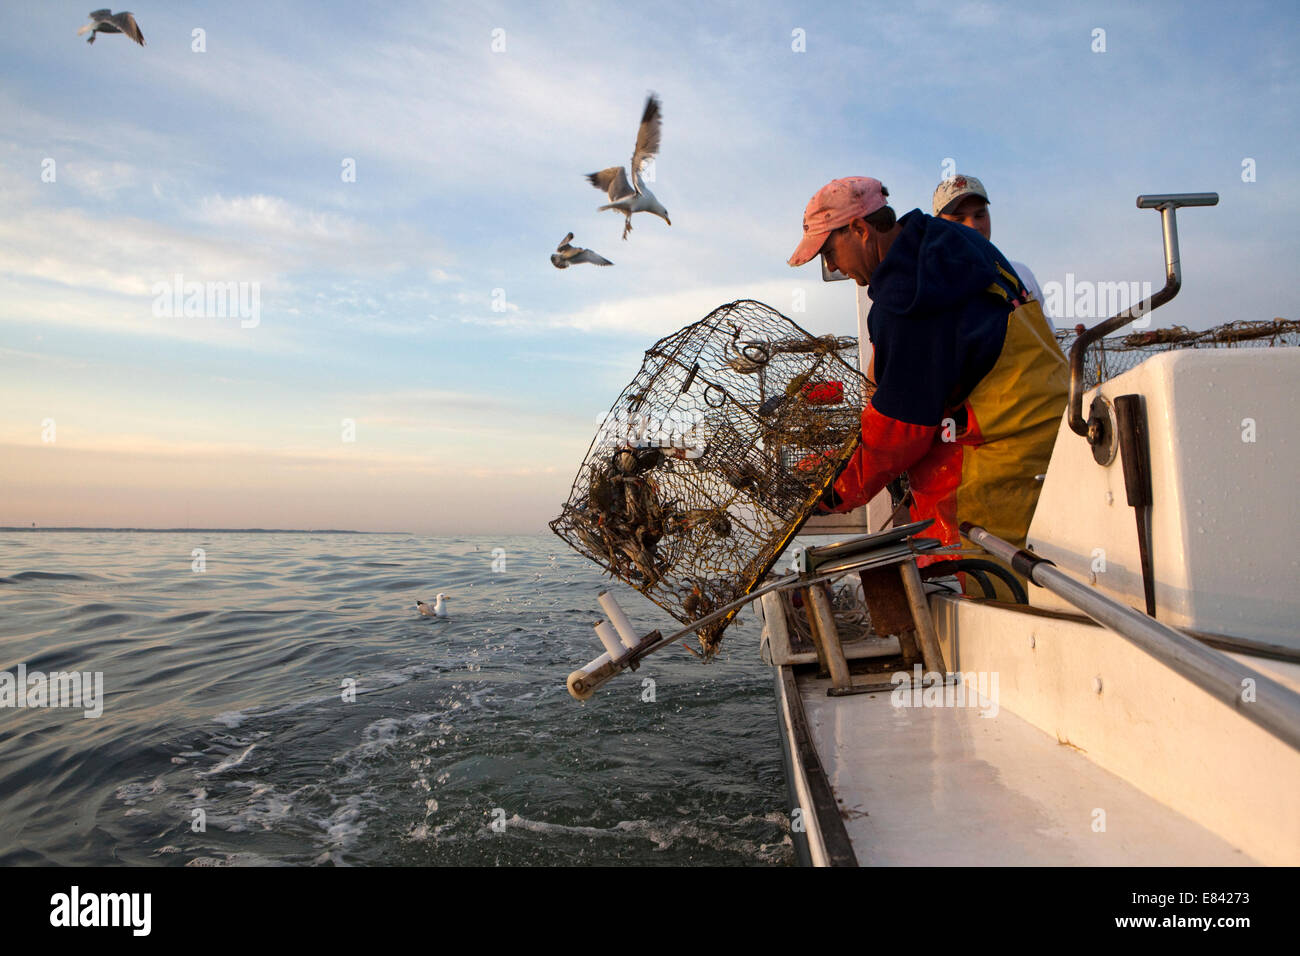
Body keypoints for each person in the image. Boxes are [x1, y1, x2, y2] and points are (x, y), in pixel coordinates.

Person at [787, 176, 1067, 596]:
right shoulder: (945, 241)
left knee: (994, 590)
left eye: (829, 251)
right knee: (1050, 568)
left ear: (861, 230)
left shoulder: (907, 299)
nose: (832, 267)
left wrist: (833, 489)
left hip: (1005, 450)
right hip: (1056, 426)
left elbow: (899, 432)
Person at [932, 174, 1055, 332]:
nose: (973, 226)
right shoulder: (929, 283)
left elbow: (1047, 339)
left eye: (979, 215)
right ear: (938, 226)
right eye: (959, 219)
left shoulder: (1020, 275)